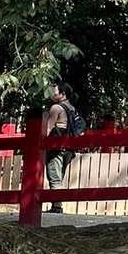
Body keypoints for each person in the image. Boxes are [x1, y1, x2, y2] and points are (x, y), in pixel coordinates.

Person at [44, 82, 78, 214]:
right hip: (69, 147)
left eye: (55, 92)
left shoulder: (56, 108)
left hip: (56, 146)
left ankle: (56, 206)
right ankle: (57, 204)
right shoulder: (72, 108)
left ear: (63, 94)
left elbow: (48, 128)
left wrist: (42, 144)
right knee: (60, 175)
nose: (52, 94)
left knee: (54, 175)